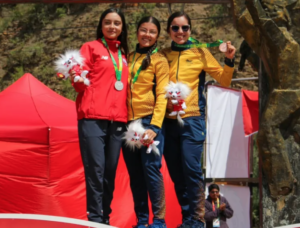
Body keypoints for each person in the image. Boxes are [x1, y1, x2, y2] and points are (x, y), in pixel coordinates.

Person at [162, 12, 236, 228]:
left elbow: (224, 79)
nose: (180, 32)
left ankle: (197, 219)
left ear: (190, 30)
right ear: (169, 31)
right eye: (175, 28)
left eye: (185, 28)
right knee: (176, 172)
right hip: (167, 120)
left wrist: (229, 59)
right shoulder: (162, 54)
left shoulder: (201, 52)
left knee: (191, 169)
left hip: (192, 119)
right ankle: (188, 219)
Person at [70, 8, 129, 225]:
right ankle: (95, 219)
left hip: (119, 121)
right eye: (108, 22)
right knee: (96, 170)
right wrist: (77, 78)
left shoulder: (125, 53)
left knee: (110, 173)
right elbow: (78, 81)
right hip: (93, 118)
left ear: (122, 28)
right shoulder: (90, 47)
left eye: (117, 23)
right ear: (101, 25)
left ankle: (105, 217)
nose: (112, 27)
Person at [122, 16, 169, 228]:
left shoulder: (160, 60)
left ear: (158, 35)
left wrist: (155, 127)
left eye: (152, 31)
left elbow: (162, 95)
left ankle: (159, 220)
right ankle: (142, 221)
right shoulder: (128, 57)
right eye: (143, 30)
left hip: (149, 121)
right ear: (137, 32)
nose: (147, 35)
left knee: (151, 171)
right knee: (135, 174)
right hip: (128, 123)